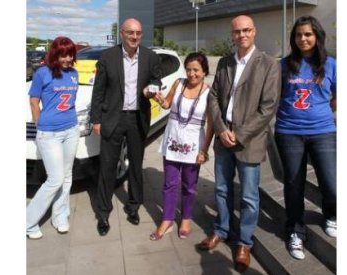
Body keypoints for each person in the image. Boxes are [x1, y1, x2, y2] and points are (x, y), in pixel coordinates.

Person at [199, 15, 281, 272]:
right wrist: (222, 129)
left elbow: (268, 107)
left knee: (249, 196)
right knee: (222, 190)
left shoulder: (268, 64)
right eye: (237, 31)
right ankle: (221, 230)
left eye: (246, 30)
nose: (241, 35)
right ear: (232, 35)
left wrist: (240, 133)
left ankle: (244, 242)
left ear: (254, 32)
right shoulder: (224, 62)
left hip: (249, 140)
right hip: (224, 139)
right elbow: (212, 96)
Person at [90, 18, 162, 236]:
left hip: (137, 118)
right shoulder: (108, 57)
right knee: (107, 167)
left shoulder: (150, 57)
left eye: (138, 33)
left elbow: (155, 81)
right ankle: (103, 213)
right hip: (112, 118)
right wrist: (96, 120)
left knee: (136, 166)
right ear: (122, 33)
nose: (135, 37)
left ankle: (133, 206)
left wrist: (152, 90)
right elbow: (99, 92)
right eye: (130, 32)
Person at [274, 15, 337, 260]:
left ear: (317, 36)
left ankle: (331, 214)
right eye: (299, 35)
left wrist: (320, 113)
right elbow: (275, 95)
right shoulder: (284, 65)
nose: (303, 38)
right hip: (289, 132)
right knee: (293, 184)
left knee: (331, 183)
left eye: (308, 34)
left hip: (323, 131)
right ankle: (295, 230)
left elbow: (337, 95)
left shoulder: (331, 64)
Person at [149, 52, 214, 241]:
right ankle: (167, 219)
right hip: (172, 140)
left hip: (194, 145)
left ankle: (186, 218)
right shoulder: (179, 83)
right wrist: (158, 98)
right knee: (169, 184)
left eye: (196, 70)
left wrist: (204, 150)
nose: (191, 74)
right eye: (188, 69)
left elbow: (210, 125)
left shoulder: (209, 92)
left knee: (189, 185)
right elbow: (167, 104)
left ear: (204, 72)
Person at [26, 37, 80, 239]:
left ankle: (60, 216)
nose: (67, 58)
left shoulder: (73, 74)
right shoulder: (42, 73)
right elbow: (34, 101)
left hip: (71, 130)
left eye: (70, 54)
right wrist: (41, 124)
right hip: (50, 133)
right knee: (55, 179)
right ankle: (28, 222)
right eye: (63, 54)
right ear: (55, 54)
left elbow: (70, 102)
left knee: (66, 176)